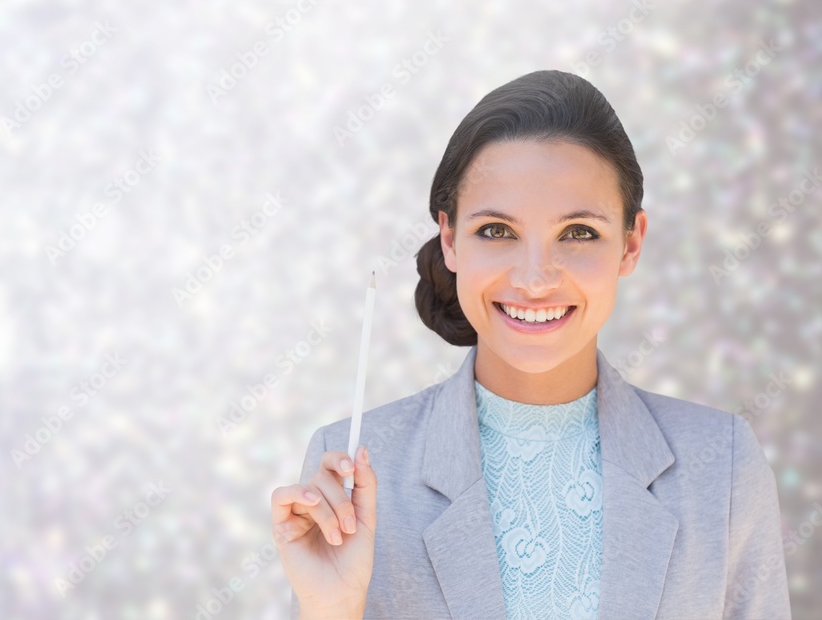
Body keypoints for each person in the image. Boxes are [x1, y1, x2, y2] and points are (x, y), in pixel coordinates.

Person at [270, 70, 792, 619]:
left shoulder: (723, 467)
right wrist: (332, 608)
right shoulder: (351, 472)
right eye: (497, 231)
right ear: (450, 239)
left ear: (631, 243)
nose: (536, 278)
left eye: (578, 233)